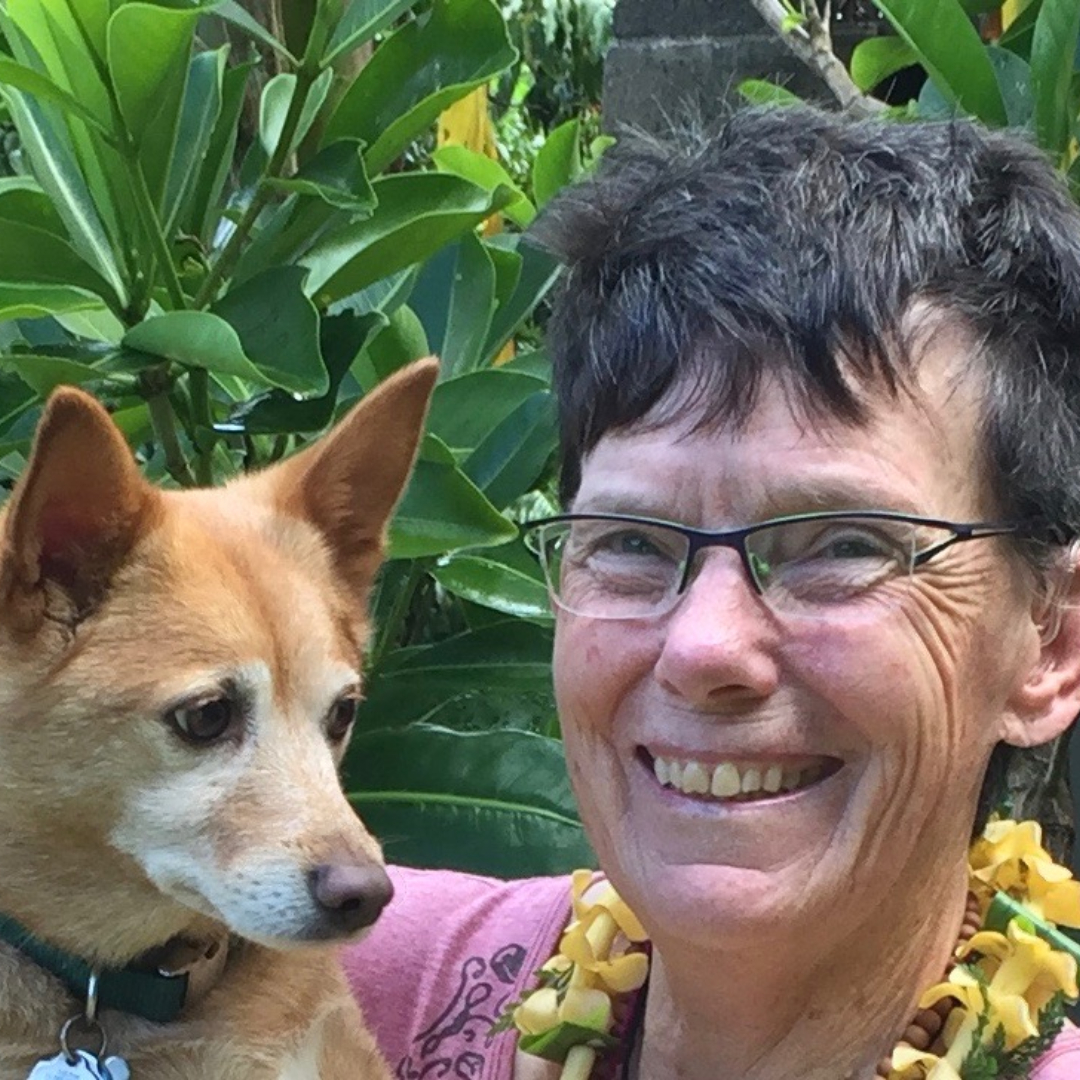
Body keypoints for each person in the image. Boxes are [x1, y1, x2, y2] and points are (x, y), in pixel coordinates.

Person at [343, 107, 1080, 1080]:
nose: (702, 647)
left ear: (1051, 642)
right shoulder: (367, 1000)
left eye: (843, 546)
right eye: (634, 545)